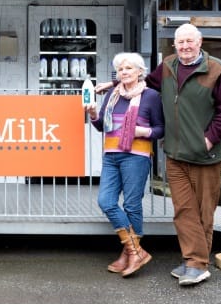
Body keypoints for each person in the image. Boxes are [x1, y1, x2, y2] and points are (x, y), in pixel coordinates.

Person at [96, 23, 221, 286]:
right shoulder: (169, 66)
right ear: (174, 44)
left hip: (205, 156)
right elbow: (143, 80)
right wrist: (114, 83)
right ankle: (194, 262)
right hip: (175, 153)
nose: (184, 46)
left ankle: (196, 262)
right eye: (180, 42)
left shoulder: (217, 70)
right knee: (184, 210)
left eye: (189, 41)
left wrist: (207, 141)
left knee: (203, 212)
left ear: (200, 42)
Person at [85, 52, 164, 277]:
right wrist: (92, 114)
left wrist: (143, 131)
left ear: (140, 72)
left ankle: (128, 254)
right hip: (111, 155)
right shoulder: (112, 94)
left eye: (128, 68)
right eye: (120, 69)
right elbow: (101, 125)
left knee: (131, 205)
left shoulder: (151, 96)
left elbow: (160, 129)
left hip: (136, 156)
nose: (124, 72)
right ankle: (135, 251)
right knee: (106, 201)